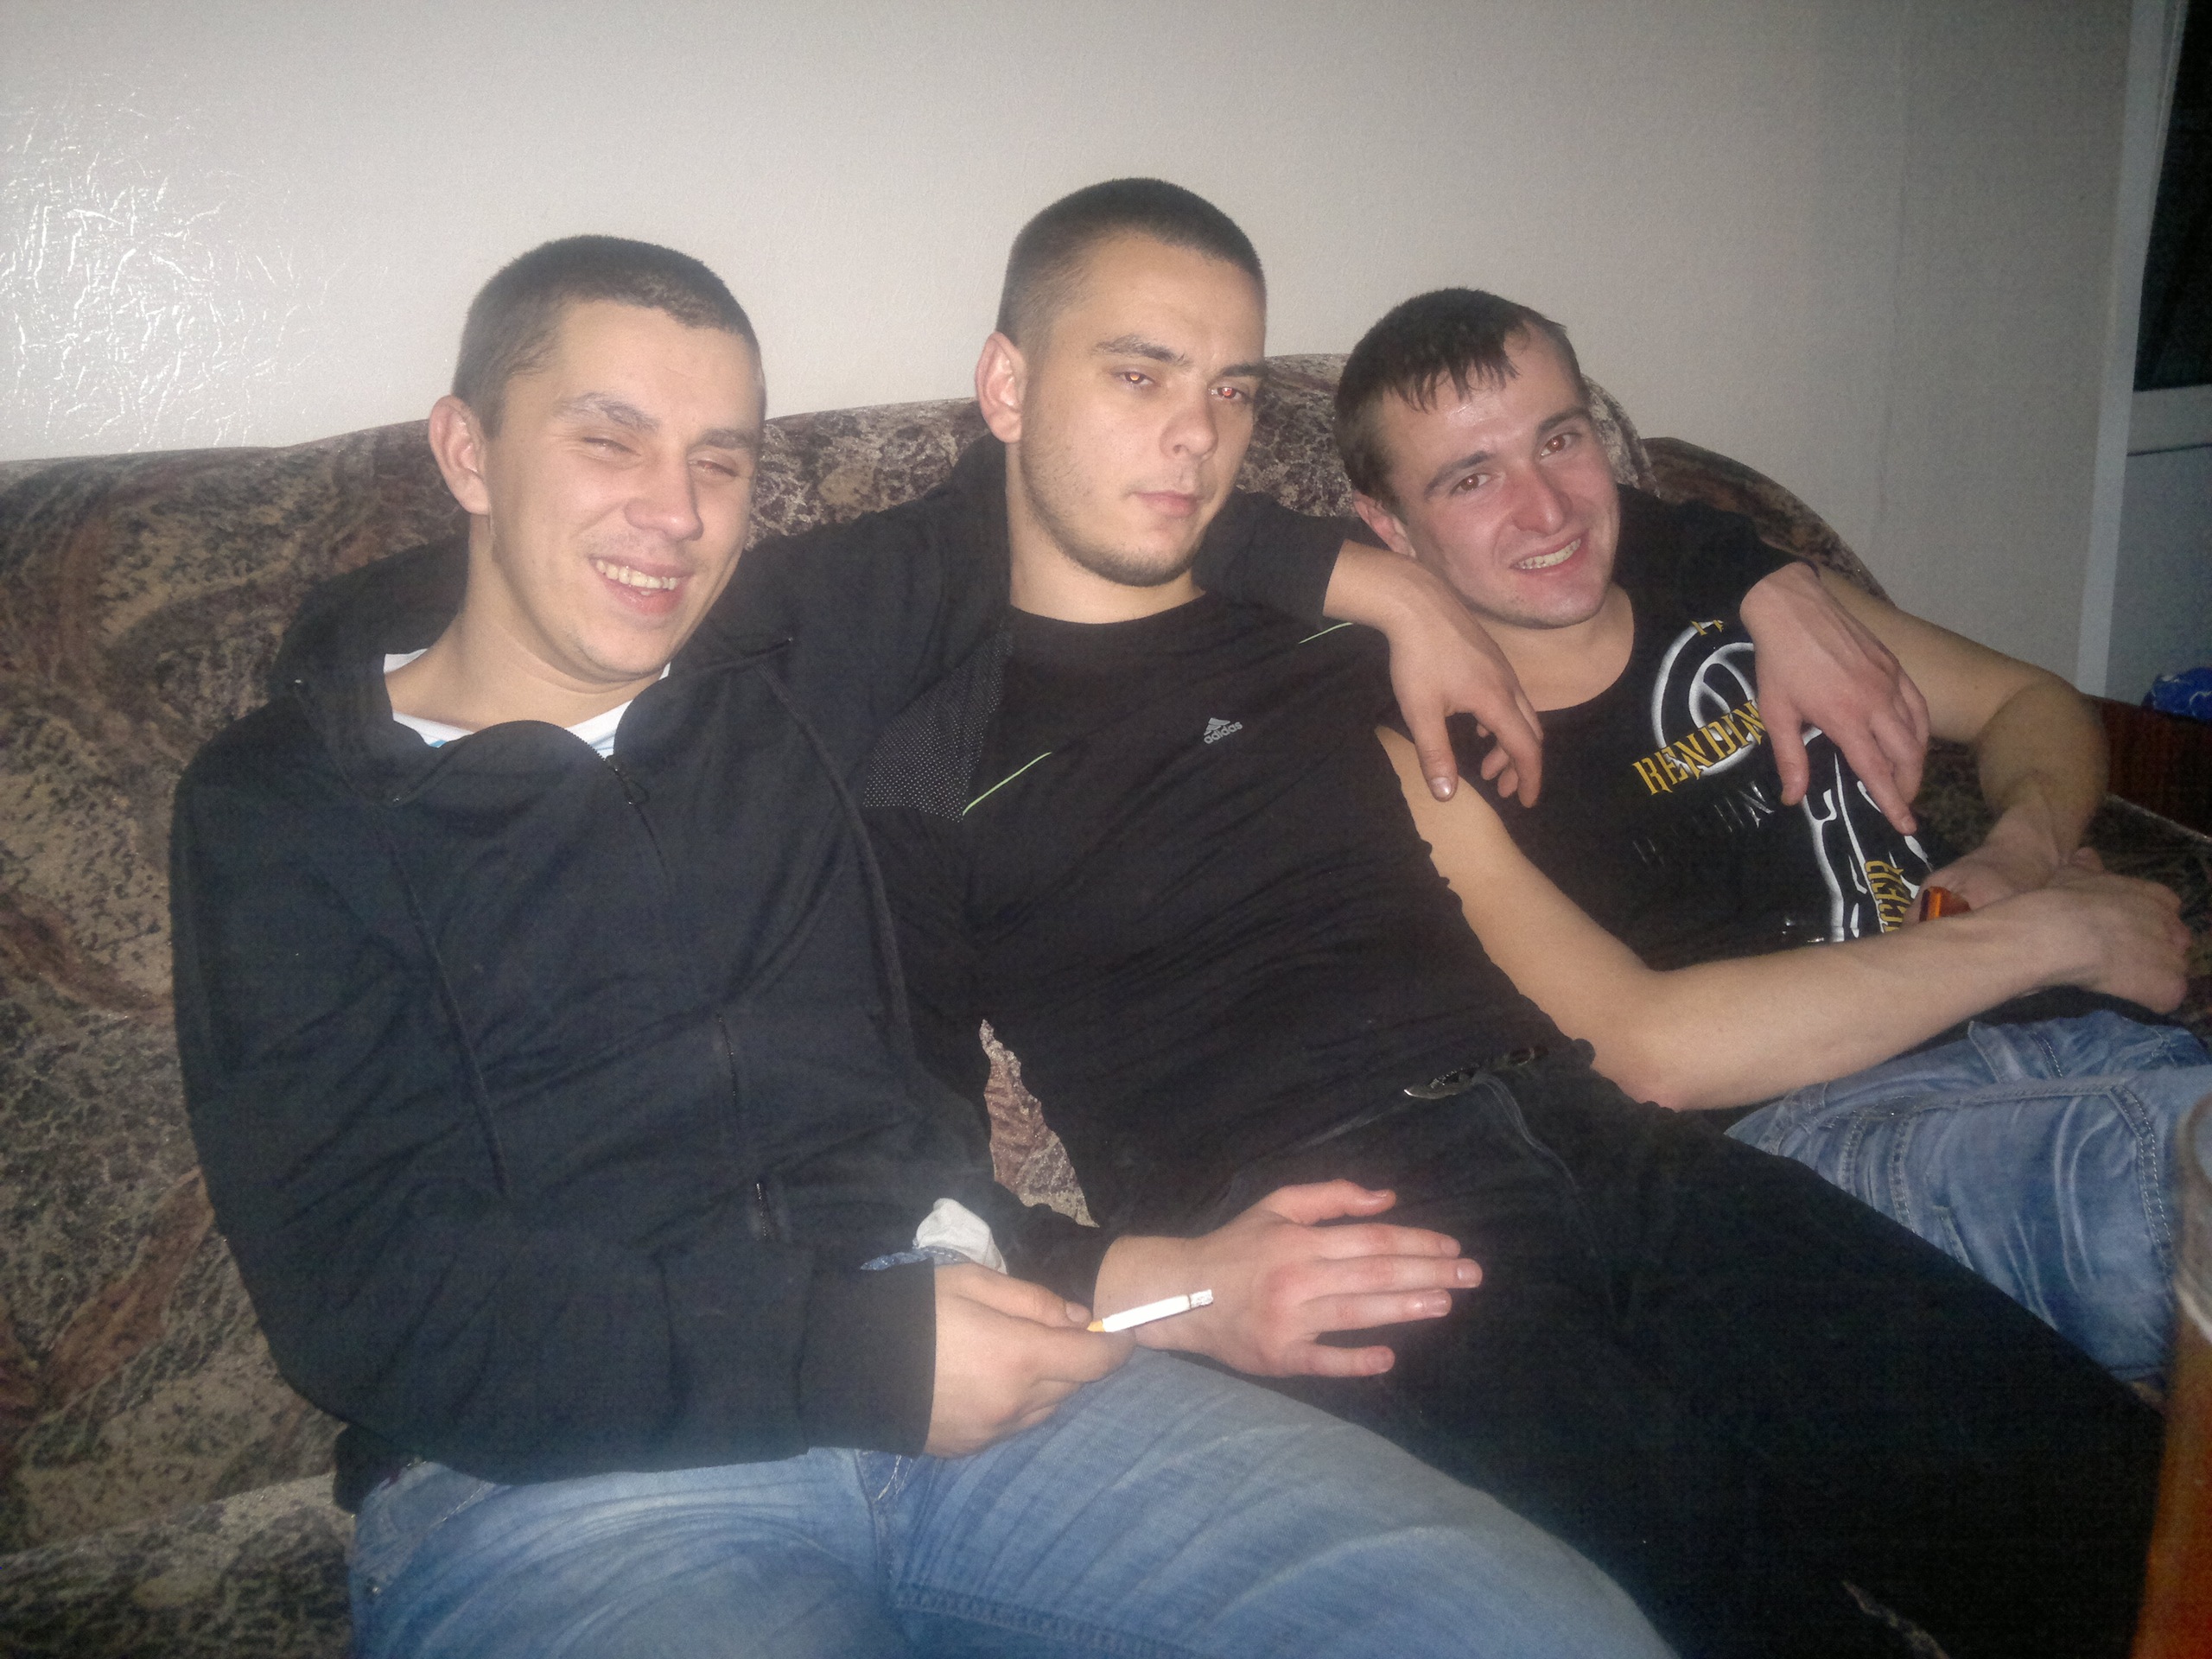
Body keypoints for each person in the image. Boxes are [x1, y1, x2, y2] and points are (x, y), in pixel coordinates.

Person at [168, 235, 1685, 1659]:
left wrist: (1399, 583)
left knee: (1552, 1629)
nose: (676, 516)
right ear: (466, 452)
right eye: (609, 441)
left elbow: (1084, 484)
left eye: (721, 460)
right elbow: (367, 1290)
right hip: (570, 1483)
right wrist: (861, 1360)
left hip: (985, 1394)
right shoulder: (290, 806)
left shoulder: (785, 667)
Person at [862, 186, 2167, 1658]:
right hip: (1341, 1236)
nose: (1197, 437)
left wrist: (1769, 582)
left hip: (1600, 1131)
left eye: (1230, 389)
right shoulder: (917, 746)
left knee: (2103, 1513)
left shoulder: (1335, 618)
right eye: (1138, 375)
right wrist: (1165, 1290)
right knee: (1734, 1619)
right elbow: (901, 1163)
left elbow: (1565, 531)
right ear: (1008, 388)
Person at [1332, 286, 2208, 1383]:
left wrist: (2022, 854)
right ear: (1386, 528)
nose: (1547, 509)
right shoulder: (1414, 751)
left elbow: (2028, 702)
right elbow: (1648, 1052)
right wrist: (2052, 934)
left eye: (1559, 440)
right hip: (1824, 1129)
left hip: (2075, 1041)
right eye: (1471, 478)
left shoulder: (1734, 593)